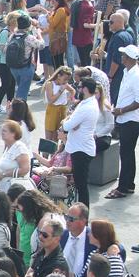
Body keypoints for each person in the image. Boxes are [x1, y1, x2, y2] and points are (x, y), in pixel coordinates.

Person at [62, 77, 99, 206]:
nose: (78, 89)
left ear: (86, 89)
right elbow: (71, 121)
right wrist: (70, 121)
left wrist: (67, 122)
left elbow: (66, 126)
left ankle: (83, 217)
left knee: (81, 186)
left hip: (81, 150)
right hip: (80, 148)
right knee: (80, 185)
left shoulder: (87, 107)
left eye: (80, 87)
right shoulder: (87, 102)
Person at [108, 44, 139, 200]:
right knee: (127, 153)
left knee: (126, 153)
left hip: (131, 120)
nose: (121, 57)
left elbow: (138, 101)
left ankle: (123, 188)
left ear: (129, 58)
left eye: (124, 55)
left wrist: (121, 110)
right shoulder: (127, 72)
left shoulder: (136, 75)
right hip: (125, 118)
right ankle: (128, 185)